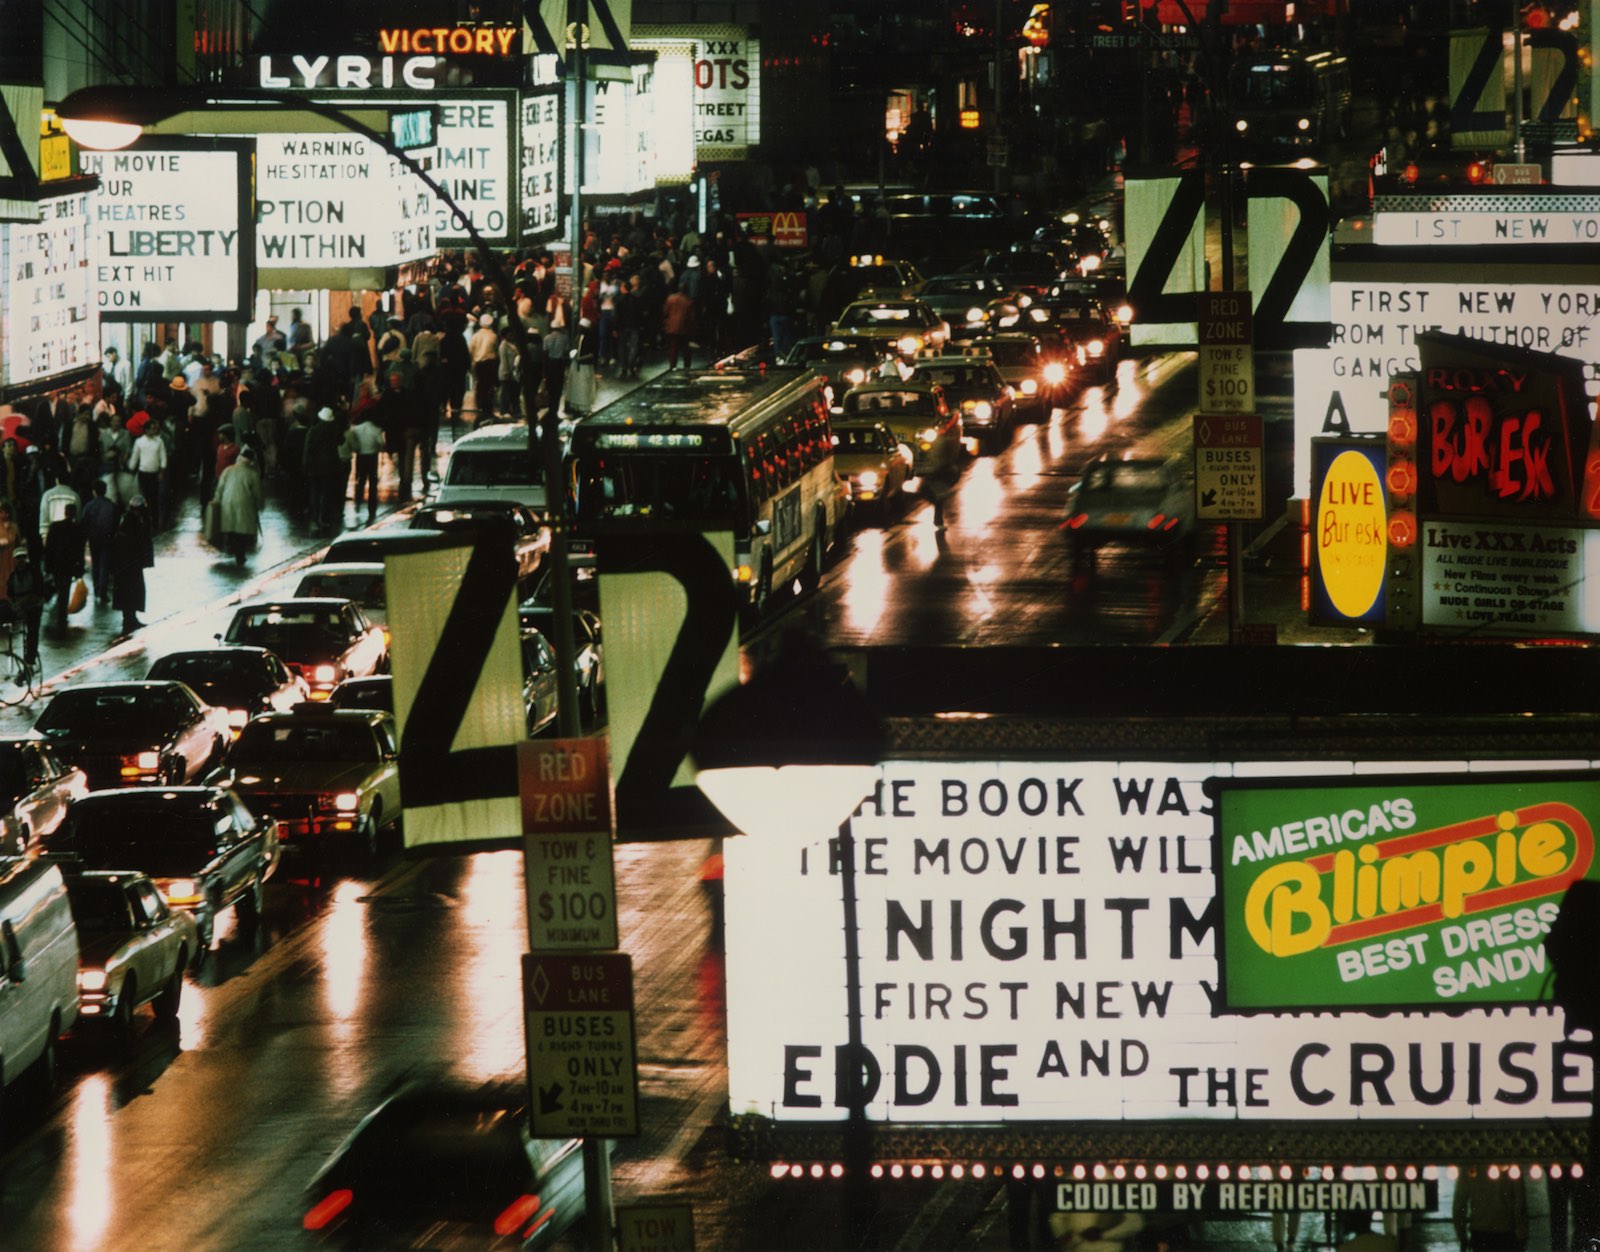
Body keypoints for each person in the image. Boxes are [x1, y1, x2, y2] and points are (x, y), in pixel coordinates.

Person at [303, 405, 349, 535]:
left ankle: (315, 519)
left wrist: (305, 465)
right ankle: (324, 518)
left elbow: (308, 450)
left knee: (315, 493)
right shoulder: (334, 431)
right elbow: (342, 440)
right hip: (330, 467)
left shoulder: (313, 431)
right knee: (326, 493)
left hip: (314, 467)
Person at [1453, 1172, 1527, 1250]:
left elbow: (1459, 1204)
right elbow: (1520, 1202)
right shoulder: (1510, 1164)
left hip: (1480, 1231)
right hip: (1506, 1230)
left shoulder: (1470, 1166)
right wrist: (1522, 1232)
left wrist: (1462, 1236)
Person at [215, 447, 264, 566]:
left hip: (227, 503)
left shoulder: (228, 470)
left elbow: (220, 487)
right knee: (241, 531)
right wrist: (260, 505)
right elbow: (257, 493)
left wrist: (216, 500)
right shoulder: (253, 474)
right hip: (245, 505)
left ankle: (231, 548)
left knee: (232, 528)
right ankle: (240, 555)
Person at [109, 500, 152, 635]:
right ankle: (129, 619)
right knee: (130, 591)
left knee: (130, 591)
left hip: (128, 564)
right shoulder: (132, 521)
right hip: (129, 564)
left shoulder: (130, 520)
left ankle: (130, 618)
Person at [43, 499, 84, 632]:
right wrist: (80, 568)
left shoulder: (55, 526)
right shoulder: (77, 529)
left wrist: (47, 565)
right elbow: (79, 550)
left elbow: (49, 548)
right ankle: (62, 617)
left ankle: (57, 613)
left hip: (56, 564)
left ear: (65, 512)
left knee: (58, 587)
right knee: (65, 591)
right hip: (69, 565)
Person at [6, 545, 43, 676]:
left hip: (34, 607)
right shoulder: (12, 577)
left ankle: (30, 660)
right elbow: (9, 594)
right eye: (18, 558)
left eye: (22, 558)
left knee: (32, 632)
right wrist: (14, 606)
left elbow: (37, 593)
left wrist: (23, 603)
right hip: (21, 608)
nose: (20, 561)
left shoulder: (34, 573)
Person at [80, 481, 118, 606]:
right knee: (105, 565)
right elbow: (116, 523)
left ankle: (96, 590)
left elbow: (84, 523)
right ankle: (102, 592)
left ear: (94, 491)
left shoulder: (89, 506)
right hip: (108, 539)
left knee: (95, 564)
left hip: (94, 539)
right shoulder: (111, 505)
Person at [346, 399, 385, 523]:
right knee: (373, 482)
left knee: (361, 479)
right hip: (372, 457)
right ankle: (371, 506)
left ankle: (358, 500)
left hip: (361, 456)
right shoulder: (376, 429)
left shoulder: (356, 429)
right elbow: (381, 443)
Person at [128, 412, 168, 529]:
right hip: (143, 473)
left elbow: (163, 457)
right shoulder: (139, 442)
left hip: (154, 473)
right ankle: (145, 522)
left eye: (155, 429)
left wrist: (162, 471)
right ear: (146, 430)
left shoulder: (159, 442)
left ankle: (155, 522)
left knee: (154, 498)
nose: (154, 431)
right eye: (151, 429)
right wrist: (131, 468)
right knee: (143, 498)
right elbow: (134, 457)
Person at [469, 312, 499, 421]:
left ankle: (480, 405)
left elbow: (471, 350)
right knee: (489, 386)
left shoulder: (476, 336)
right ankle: (488, 407)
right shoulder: (494, 336)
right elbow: (497, 350)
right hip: (491, 363)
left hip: (479, 364)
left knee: (479, 385)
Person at [663, 280, 695, 369]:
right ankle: (686, 366)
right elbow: (691, 317)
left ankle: (672, 366)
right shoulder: (688, 301)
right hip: (684, 329)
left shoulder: (670, 298)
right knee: (686, 350)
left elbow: (665, 312)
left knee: (673, 349)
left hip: (671, 328)